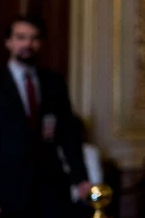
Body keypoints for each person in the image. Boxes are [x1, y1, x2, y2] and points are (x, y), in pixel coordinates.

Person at [0, 15, 90, 218]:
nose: (27, 44)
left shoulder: (54, 82)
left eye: (34, 38)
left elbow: (68, 135)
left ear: (40, 43)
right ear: (9, 42)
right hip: (9, 186)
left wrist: (81, 179)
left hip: (50, 185)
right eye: (21, 37)